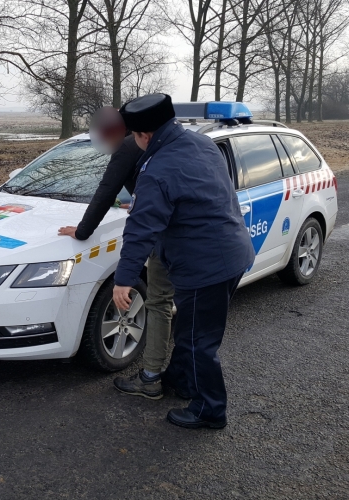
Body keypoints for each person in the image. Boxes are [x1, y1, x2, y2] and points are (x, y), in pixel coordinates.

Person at [112, 93, 255, 430]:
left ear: (144, 135)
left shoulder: (157, 169)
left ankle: (210, 410)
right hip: (231, 254)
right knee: (191, 330)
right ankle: (182, 381)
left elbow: (140, 230)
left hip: (205, 266)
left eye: (134, 137)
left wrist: (124, 279)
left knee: (197, 341)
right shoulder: (201, 143)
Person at [58, 107, 175, 400]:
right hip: (198, 237)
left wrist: (82, 231)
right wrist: (138, 199)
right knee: (183, 302)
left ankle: (152, 377)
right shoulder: (176, 142)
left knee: (159, 301)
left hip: (168, 236)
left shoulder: (128, 147)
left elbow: (107, 190)